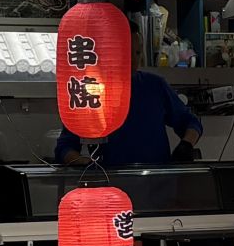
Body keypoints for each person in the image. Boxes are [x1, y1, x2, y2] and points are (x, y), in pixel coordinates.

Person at [54, 16, 202, 167]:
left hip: (157, 178)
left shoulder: (155, 86)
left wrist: (186, 145)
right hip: (111, 179)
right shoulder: (90, 92)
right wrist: (84, 163)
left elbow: (190, 122)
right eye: (125, 52)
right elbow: (65, 148)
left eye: (137, 53)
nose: (133, 60)